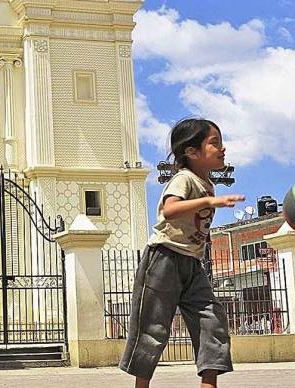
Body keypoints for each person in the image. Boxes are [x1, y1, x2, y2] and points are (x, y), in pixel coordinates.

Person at [118, 118, 244, 388]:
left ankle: (208, 383)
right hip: (164, 259)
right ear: (192, 152)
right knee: (153, 328)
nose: (223, 148)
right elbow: (169, 210)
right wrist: (210, 201)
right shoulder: (184, 179)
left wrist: (210, 199)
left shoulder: (207, 184)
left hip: (192, 264)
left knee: (212, 319)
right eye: (215, 143)